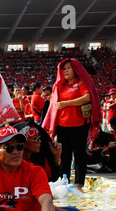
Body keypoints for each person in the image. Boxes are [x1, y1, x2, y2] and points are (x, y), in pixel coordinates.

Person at [16, 121, 112, 211]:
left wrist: (56, 158)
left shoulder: (34, 159)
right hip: (20, 210)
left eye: (40, 138)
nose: (40, 141)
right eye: (35, 139)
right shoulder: (13, 164)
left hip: (35, 205)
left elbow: (49, 182)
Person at [42, 58, 101, 192]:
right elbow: (54, 106)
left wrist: (66, 104)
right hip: (62, 124)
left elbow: (87, 97)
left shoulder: (81, 83)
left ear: (76, 69)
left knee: (79, 153)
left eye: (69, 67)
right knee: (65, 155)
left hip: (79, 124)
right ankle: (65, 180)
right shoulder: (59, 85)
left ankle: (79, 183)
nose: (66, 70)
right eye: (64, 68)